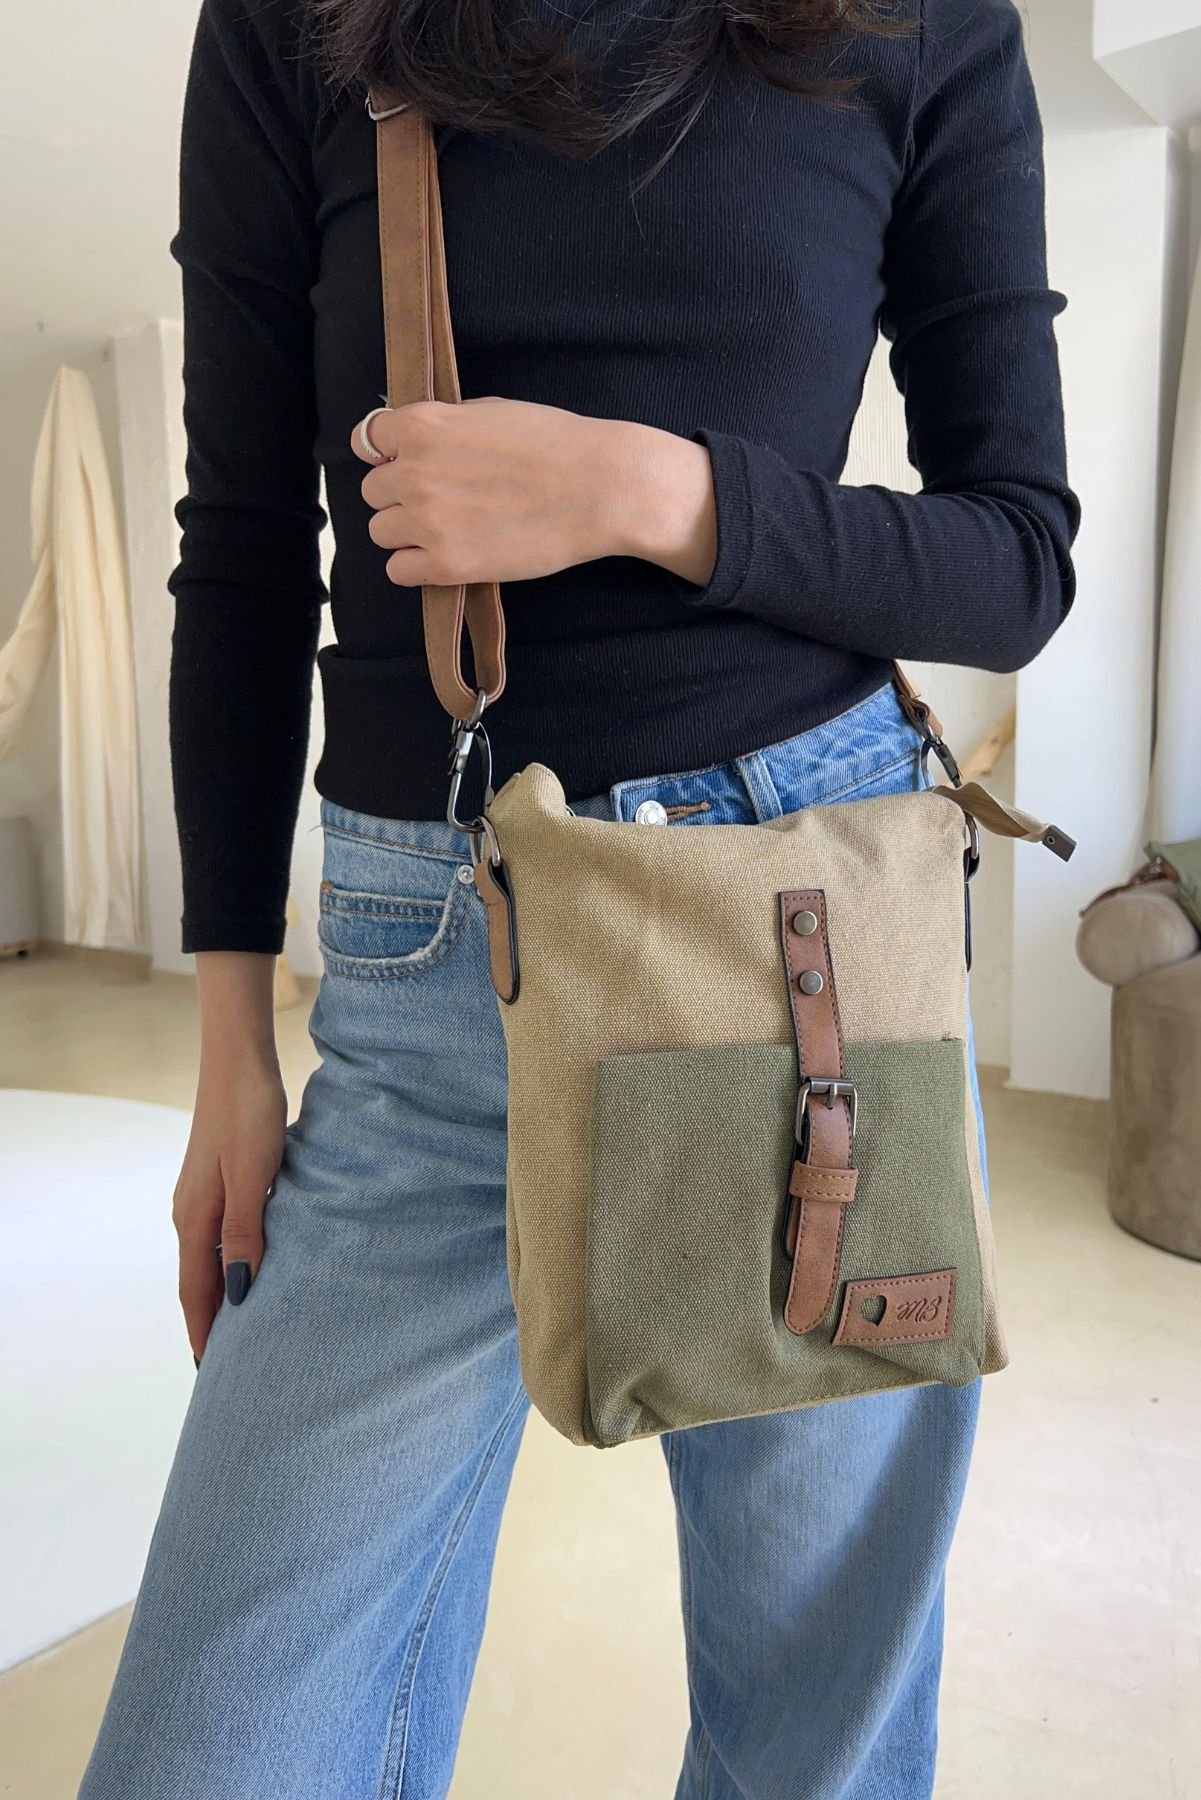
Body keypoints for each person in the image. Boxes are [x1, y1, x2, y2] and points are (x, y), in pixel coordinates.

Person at [82, 0, 1078, 1794]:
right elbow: (240, 547)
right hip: (426, 958)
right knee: (215, 1743)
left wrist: (652, 491)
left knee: (817, 1727)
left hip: (804, 954)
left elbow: (1016, 557)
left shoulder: (920, 20)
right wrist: (230, 1046)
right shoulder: (297, 23)